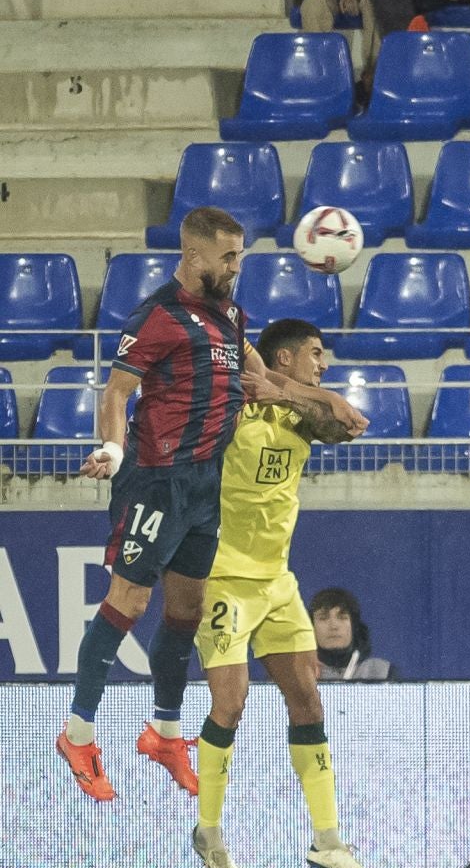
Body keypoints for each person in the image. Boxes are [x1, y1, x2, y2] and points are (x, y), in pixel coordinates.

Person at [56, 206, 367, 812]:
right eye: (228, 257)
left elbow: (267, 380)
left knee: (186, 609)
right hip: (156, 478)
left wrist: (321, 393)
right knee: (130, 600)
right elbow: (118, 391)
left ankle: (165, 734)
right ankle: (78, 735)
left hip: (204, 487)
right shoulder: (157, 317)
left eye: (240, 256)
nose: (236, 266)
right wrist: (114, 448)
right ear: (193, 256)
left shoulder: (230, 317)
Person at [192, 320, 380, 868]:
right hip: (223, 575)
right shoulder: (229, 404)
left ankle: (328, 840)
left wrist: (290, 391)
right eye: (316, 355)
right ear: (284, 354)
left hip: (277, 581)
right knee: (232, 699)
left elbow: (347, 426)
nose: (324, 365)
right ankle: (210, 833)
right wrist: (273, 388)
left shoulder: (298, 413)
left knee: (307, 695)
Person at [309, 588, 395, 682]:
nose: (333, 626)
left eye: (342, 617)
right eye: (323, 618)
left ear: (354, 627)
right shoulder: (297, 674)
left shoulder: (382, 672)